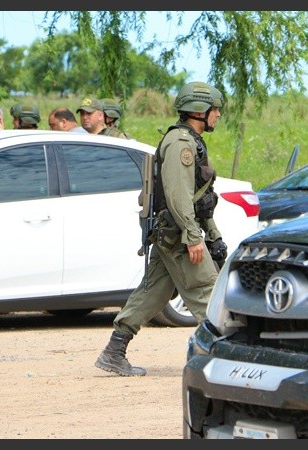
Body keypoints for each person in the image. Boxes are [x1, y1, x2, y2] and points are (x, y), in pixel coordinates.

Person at [94, 81, 227, 377]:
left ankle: (114, 351)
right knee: (207, 291)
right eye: (215, 109)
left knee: (151, 293)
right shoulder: (181, 144)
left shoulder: (190, 140)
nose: (218, 115)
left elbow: (199, 198)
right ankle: (226, 357)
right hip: (179, 236)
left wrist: (213, 234)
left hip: (175, 233)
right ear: (199, 110)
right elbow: (179, 196)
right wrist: (194, 237)